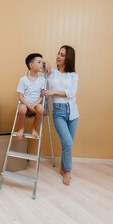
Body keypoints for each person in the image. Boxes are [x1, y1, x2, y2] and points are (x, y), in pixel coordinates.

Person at [42, 45, 79, 186]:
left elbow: (71, 93)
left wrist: (52, 92)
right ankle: (68, 171)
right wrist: (48, 63)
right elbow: (41, 63)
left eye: (62, 55)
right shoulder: (52, 73)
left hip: (73, 112)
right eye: (58, 53)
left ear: (68, 58)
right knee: (68, 142)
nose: (58, 56)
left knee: (67, 143)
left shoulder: (73, 75)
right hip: (58, 111)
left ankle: (63, 169)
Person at [16, 53, 46, 139]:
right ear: (31, 65)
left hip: (36, 106)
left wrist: (34, 105)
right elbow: (20, 97)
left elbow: (41, 97)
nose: (41, 65)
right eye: (39, 62)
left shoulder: (42, 80)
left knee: (41, 108)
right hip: (26, 105)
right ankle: (22, 128)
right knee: (21, 108)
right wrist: (29, 106)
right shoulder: (23, 80)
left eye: (42, 62)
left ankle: (34, 128)